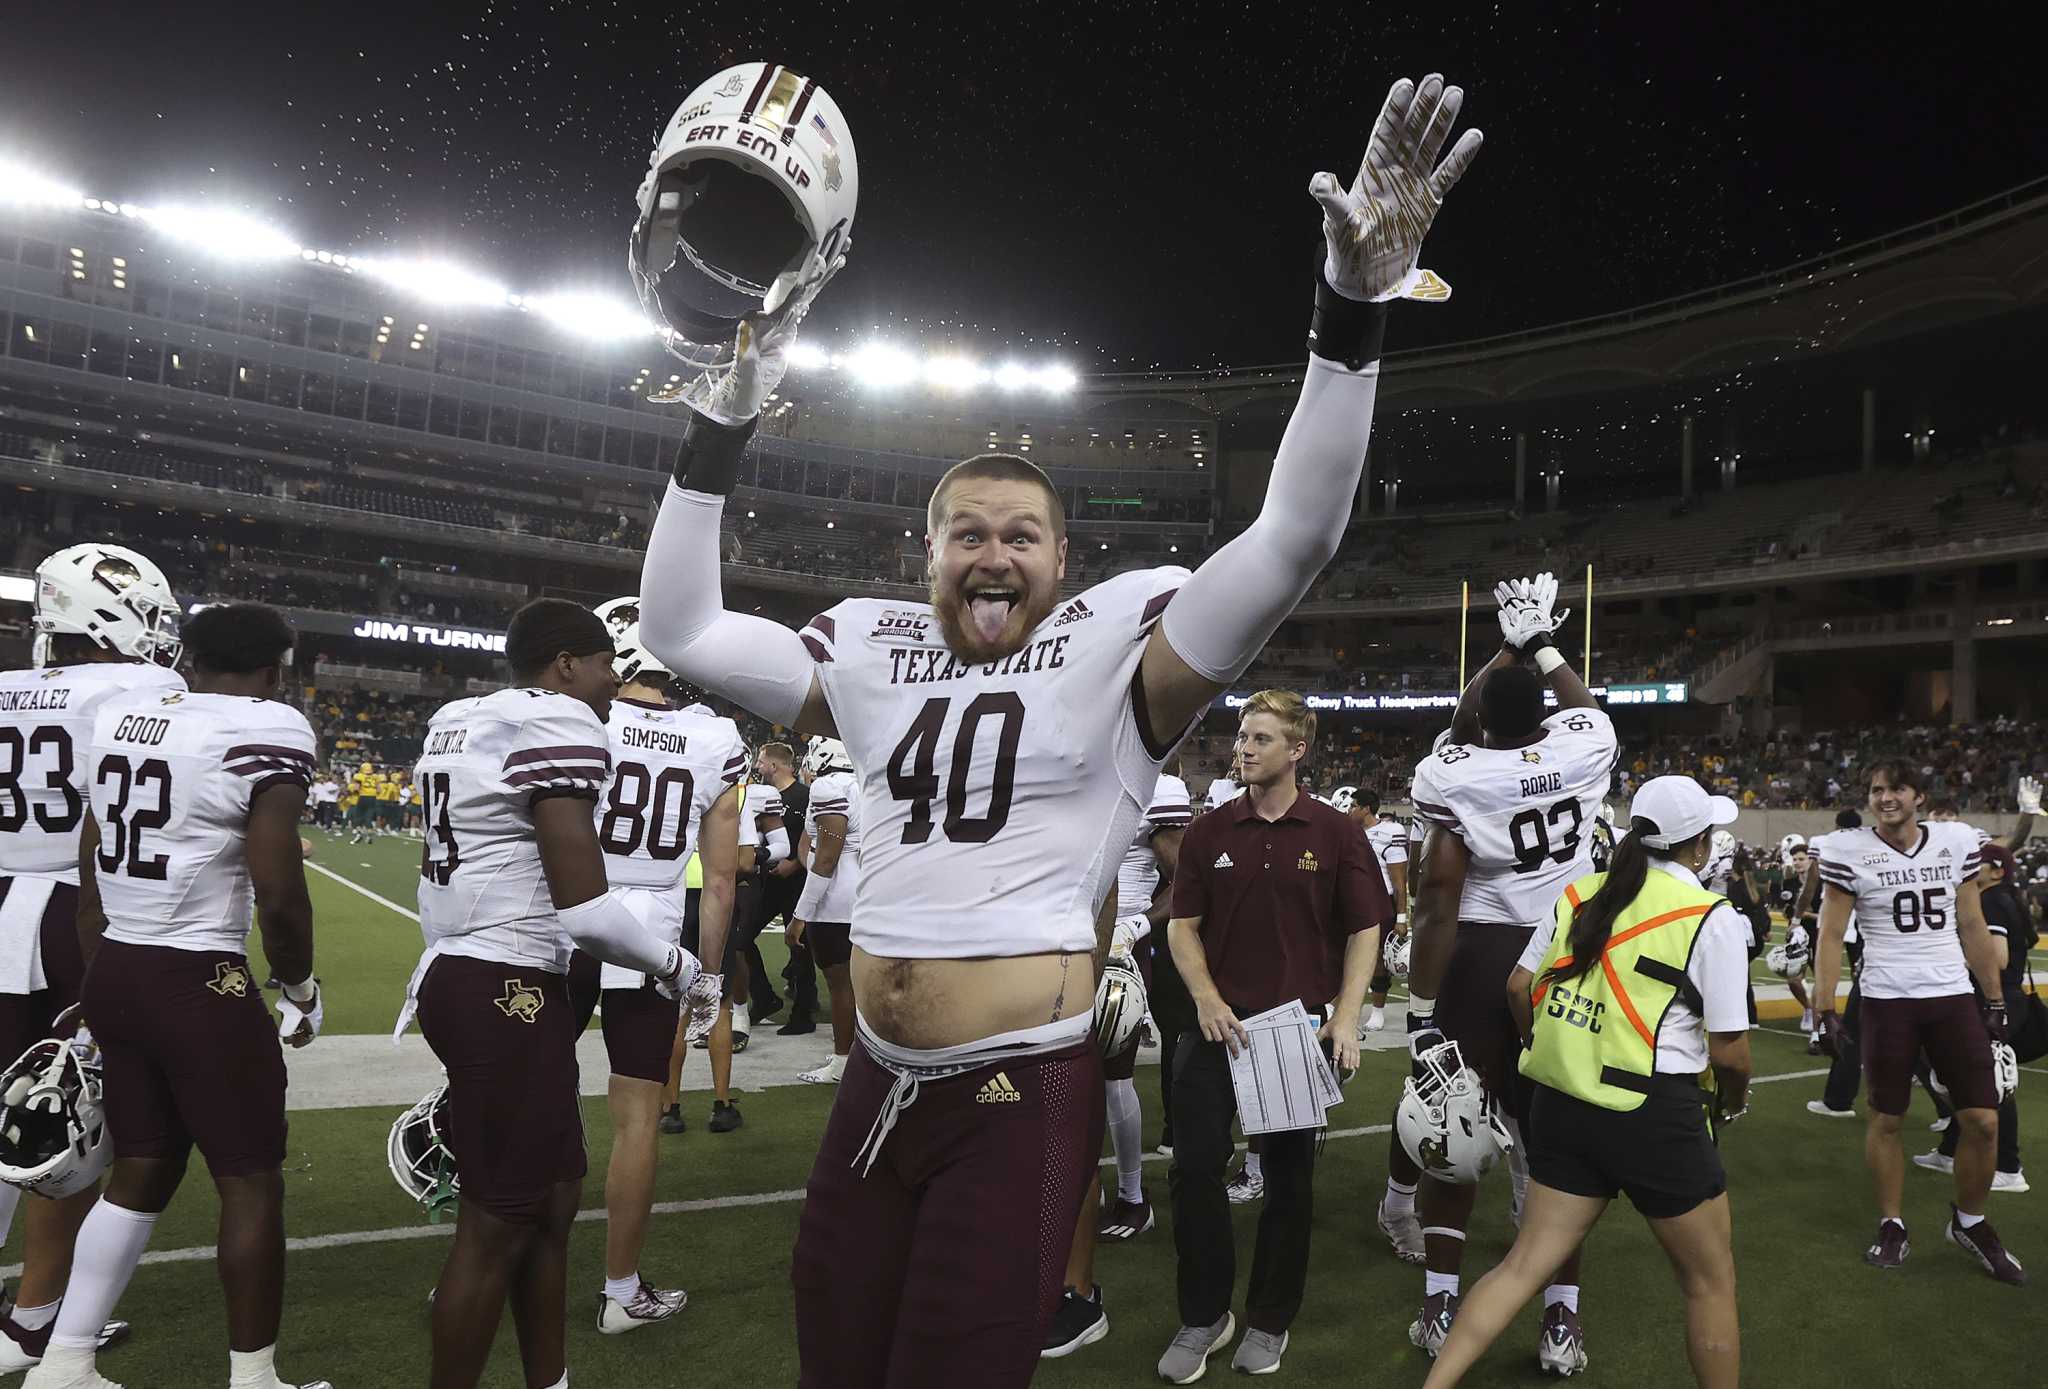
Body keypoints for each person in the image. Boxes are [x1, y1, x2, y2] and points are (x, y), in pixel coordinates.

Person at [636, 70, 1482, 1387]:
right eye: (963, 531)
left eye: (1019, 534)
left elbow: (1298, 532)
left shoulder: (1119, 660)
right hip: (873, 1085)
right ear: (925, 554)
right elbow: (680, 629)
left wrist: (1351, 309)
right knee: (833, 1364)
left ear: (1063, 558)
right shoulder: (865, 648)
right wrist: (713, 438)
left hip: (1016, 1093)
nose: (991, 551)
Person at [396, 599, 714, 1389]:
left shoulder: (461, 716)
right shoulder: (558, 721)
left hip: (465, 973)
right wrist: (681, 968)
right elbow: (588, 910)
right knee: (493, 1224)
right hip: (505, 982)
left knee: (553, 1198)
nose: (615, 680)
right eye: (607, 662)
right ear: (566, 663)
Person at [27, 602, 324, 1389]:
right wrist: (297, 981)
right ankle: (255, 1379)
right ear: (274, 671)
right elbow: (277, 885)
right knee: (250, 1175)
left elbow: (90, 864)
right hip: (198, 975)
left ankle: (64, 1361)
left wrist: (100, 976)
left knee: (140, 1169)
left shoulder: (125, 716)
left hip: (119, 963)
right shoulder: (269, 727)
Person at [1421, 776, 1753, 1389]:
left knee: (1521, 1266)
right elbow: (1730, 1052)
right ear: (1700, 847)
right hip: (1654, 1113)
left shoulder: (1580, 893)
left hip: (1562, 1103)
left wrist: (1539, 1044)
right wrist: (1733, 1103)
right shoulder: (1712, 918)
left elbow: (1519, 988)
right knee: (1710, 1283)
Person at [1402, 574, 1617, 1373]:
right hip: (1565, 951)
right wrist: (1541, 641)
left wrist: (1501, 644)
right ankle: (1562, 1317)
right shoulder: (1584, 742)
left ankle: (1439, 1299)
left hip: (1486, 951)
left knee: (1453, 1125)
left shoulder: (1456, 768)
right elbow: (1583, 703)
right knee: (1558, 1141)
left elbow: (1436, 893)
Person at [1160, 690, 1389, 1380]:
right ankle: (1205, 1313)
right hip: (1215, 1027)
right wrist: (1204, 994)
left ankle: (1268, 1316)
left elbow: (1365, 927)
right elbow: (1181, 924)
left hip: (1293, 1032)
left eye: (1261, 737)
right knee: (1194, 1165)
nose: (1244, 748)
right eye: (1242, 736)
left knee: (1288, 1183)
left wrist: (1346, 1015)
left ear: (1297, 749)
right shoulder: (1208, 830)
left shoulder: (1336, 831)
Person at [0, 543, 180, 1375]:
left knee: (9, 1108)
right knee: (69, 1117)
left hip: (2, 901)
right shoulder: (144, 689)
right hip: (79, 916)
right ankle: (35, 1315)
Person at [568, 615, 745, 1331]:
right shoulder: (714, 737)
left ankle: (488, 1257)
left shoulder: (577, 714)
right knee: (638, 1120)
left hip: (565, 925)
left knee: (523, 1096)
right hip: (650, 944)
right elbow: (724, 880)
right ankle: (620, 1291)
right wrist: (704, 975)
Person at [1811, 757, 2024, 1283]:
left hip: (1951, 995)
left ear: (1919, 797)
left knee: (1984, 1119)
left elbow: (1973, 924)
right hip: (1887, 998)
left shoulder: (1954, 842)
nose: (1886, 797)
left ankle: (1970, 1221)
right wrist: (1824, 1006)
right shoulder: (1850, 850)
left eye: (1898, 788)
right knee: (1886, 1119)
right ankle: (1892, 1223)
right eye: (1877, 789)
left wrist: (1994, 1000)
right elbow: (1832, 934)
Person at [1042, 764, 1191, 1361]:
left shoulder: (1154, 782)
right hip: (1056, 943)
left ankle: (1133, 1195)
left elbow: (1185, 879)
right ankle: (1090, 1196)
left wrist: (1136, 922)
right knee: (1060, 1082)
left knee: (1110, 1077)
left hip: (1120, 950)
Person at [1916, 843, 2029, 1191]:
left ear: (1997, 870)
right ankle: (1951, 1150)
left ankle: (2009, 1167)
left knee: (1991, 1085)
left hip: (1994, 1000)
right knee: (1963, 1078)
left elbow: (1997, 957)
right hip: (2003, 998)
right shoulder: (2005, 897)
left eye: (1980, 862)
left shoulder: (1993, 900)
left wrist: (1950, 960)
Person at [786, 736, 864, 1085]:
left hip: (836, 902)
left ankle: (843, 1061)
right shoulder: (866, 783)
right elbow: (813, 849)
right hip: (868, 891)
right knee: (864, 985)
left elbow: (827, 859)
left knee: (841, 987)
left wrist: (800, 913)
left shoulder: (828, 787)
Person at [1799, 810, 1868, 1118]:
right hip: (1867, 926)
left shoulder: (1825, 842)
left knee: (1824, 979)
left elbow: (1812, 881)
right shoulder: (1872, 842)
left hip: (1838, 917)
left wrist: (1798, 912)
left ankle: (1818, 1031)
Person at [1347, 786, 1409, 1033]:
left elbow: (1399, 881)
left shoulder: (1389, 832)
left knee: (1378, 963)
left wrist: (1402, 918)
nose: (1350, 810)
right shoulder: (1349, 832)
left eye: (1354, 806)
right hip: (1352, 903)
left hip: (1379, 903)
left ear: (1366, 809)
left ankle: (1377, 1012)